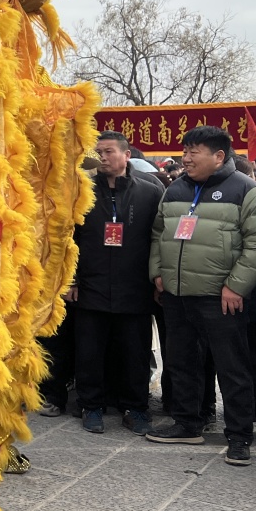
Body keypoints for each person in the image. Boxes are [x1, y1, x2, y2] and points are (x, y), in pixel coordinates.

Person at [147, 126, 256, 466]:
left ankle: (239, 435)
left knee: (232, 366)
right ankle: (188, 423)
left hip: (221, 296)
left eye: (195, 152)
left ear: (219, 156)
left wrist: (236, 285)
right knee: (181, 361)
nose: (186, 158)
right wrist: (158, 273)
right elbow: (159, 233)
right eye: (185, 150)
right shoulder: (175, 189)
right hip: (177, 294)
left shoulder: (249, 192)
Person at [70, 132, 165, 435]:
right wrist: (71, 279)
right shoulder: (81, 192)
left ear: (126, 156)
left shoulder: (150, 192)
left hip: (134, 286)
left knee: (135, 351)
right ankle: (91, 405)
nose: (103, 157)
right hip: (91, 284)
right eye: (98, 152)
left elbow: (158, 239)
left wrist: (156, 277)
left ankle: (135, 408)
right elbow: (68, 240)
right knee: (89, 350)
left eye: (109, 151)